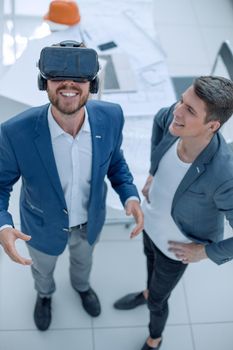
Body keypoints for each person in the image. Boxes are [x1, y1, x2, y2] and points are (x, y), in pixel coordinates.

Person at [0, 40, 143, 331]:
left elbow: (115, 161)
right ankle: (44, 295)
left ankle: (81, 287)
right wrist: (3, 226)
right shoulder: (15, 133)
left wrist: (130, 195)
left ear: (92, 83)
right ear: (44, 82)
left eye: (78, 77)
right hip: (40, 226)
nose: (69, 85)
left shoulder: (112, 116)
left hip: (89, 222)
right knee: (42, 270)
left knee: (83, 263)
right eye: (57, 77)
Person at [114, 76, 233, 350]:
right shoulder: (174, 119)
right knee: (148, 260)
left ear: (212, 125)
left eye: (190, 110)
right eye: (182, 100)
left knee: (159, 300)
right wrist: (154, 171)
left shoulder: (224, 175)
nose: (177, 110)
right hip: (150, 222)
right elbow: (159, 119)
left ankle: (154, 339)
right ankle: (147, 291)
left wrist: (203, 252)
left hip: (176, 249)